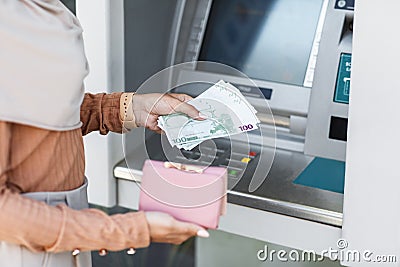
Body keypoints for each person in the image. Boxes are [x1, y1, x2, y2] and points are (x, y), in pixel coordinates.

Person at [0, 1, 208, 266]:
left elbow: (39, 110)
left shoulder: (38, 9)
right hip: (25, 249)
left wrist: (132, 108)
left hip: (66, 237)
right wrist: (131, 230)